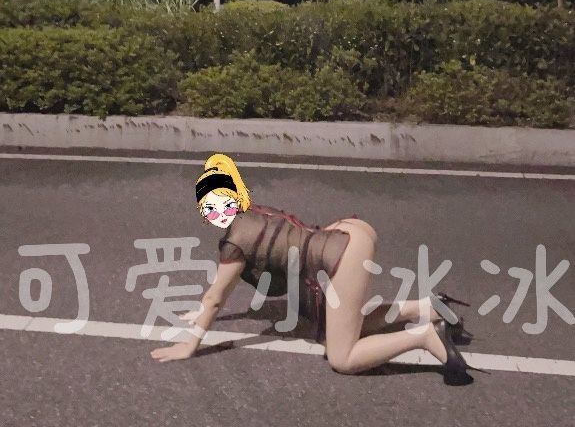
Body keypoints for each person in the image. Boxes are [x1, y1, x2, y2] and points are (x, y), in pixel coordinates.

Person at [151, 153, 479, 385]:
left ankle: (424, 337)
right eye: (208, 207)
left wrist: (189, 346)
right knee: (346, 326)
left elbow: (215, 298)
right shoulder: (254, 212)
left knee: (342, 358)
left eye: (220, 202)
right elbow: (215, 296)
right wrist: (201, 311)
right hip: (350, 229)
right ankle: (428, 308)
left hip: (340, 253)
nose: (216, 212)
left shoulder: (234, 242)